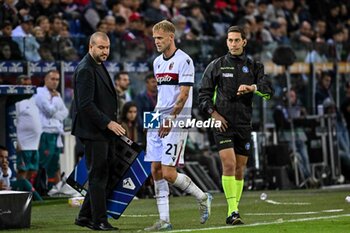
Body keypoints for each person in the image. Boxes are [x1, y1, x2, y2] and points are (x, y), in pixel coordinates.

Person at [198, 25, 273, 225]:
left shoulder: (255, 66)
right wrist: (213, 114)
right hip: (222, 123)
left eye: (236, 40)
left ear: (244, 42)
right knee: (229, 164)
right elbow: (203, 95)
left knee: (240, 168)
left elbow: (268, 91)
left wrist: (253, 88)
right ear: (227, 42)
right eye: (230, 40)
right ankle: (232, 211)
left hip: (244, 124)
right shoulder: (217, 65)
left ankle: (235, 209)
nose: (233, 44)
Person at [144, 20, 212, 232]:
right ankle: (164, 220)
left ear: (171, 37)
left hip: (177, 118)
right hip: (157, 116)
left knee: (168, 173)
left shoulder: (185, 60)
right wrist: (155, 118)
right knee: (154, 168)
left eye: (160, 38)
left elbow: (183, 95)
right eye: (154, 38)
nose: (156, 42)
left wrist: (171, 118)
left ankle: (202, 196)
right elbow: (162, 95)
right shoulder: (157, 62)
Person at [71, 31, 126, 231]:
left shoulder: (97, 65)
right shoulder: (86, 69)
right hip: (94, 132)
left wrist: (113, 123)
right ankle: (99, 221)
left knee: (105, 173)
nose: (105, 51)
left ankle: (84, 216)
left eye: (107, 47)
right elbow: (85, 104)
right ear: (91, 47)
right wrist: (108, 123)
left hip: (103, 132)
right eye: (101, 47)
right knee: (98, 176)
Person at [35, 70, 68, 189]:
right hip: (45, 133)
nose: (55, 82)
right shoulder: (39, 93)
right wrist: (55, 102)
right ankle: (39, 186)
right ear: (46, 79)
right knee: (44, 162)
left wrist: (55, 111)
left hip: (56, 133)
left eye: (57, 79)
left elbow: (65, 113)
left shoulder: (57, 94)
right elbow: (49, 112)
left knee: (55, 162)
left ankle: (53, 187)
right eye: (52, 79)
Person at [273, 89, 314, 185]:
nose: (292, 98)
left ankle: (309, 177)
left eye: (293, 96)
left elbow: (306, 122)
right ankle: (305, 179)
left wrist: (296, 120)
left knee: (305, 157)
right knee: (297, 157)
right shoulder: (280, 109)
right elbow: (284, 124)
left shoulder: (299, 108)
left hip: (300, 136)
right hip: (288, 138)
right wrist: (297, 121)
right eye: (290, 96)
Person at [135, 73, 158, 145]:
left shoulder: (161, 97)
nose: (155, 84)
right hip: (144, 131)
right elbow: (138, 114)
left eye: (157, 82)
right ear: (147, 83)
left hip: (158, 130)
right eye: (153, 82)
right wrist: (144, 128)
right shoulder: (140, 97)